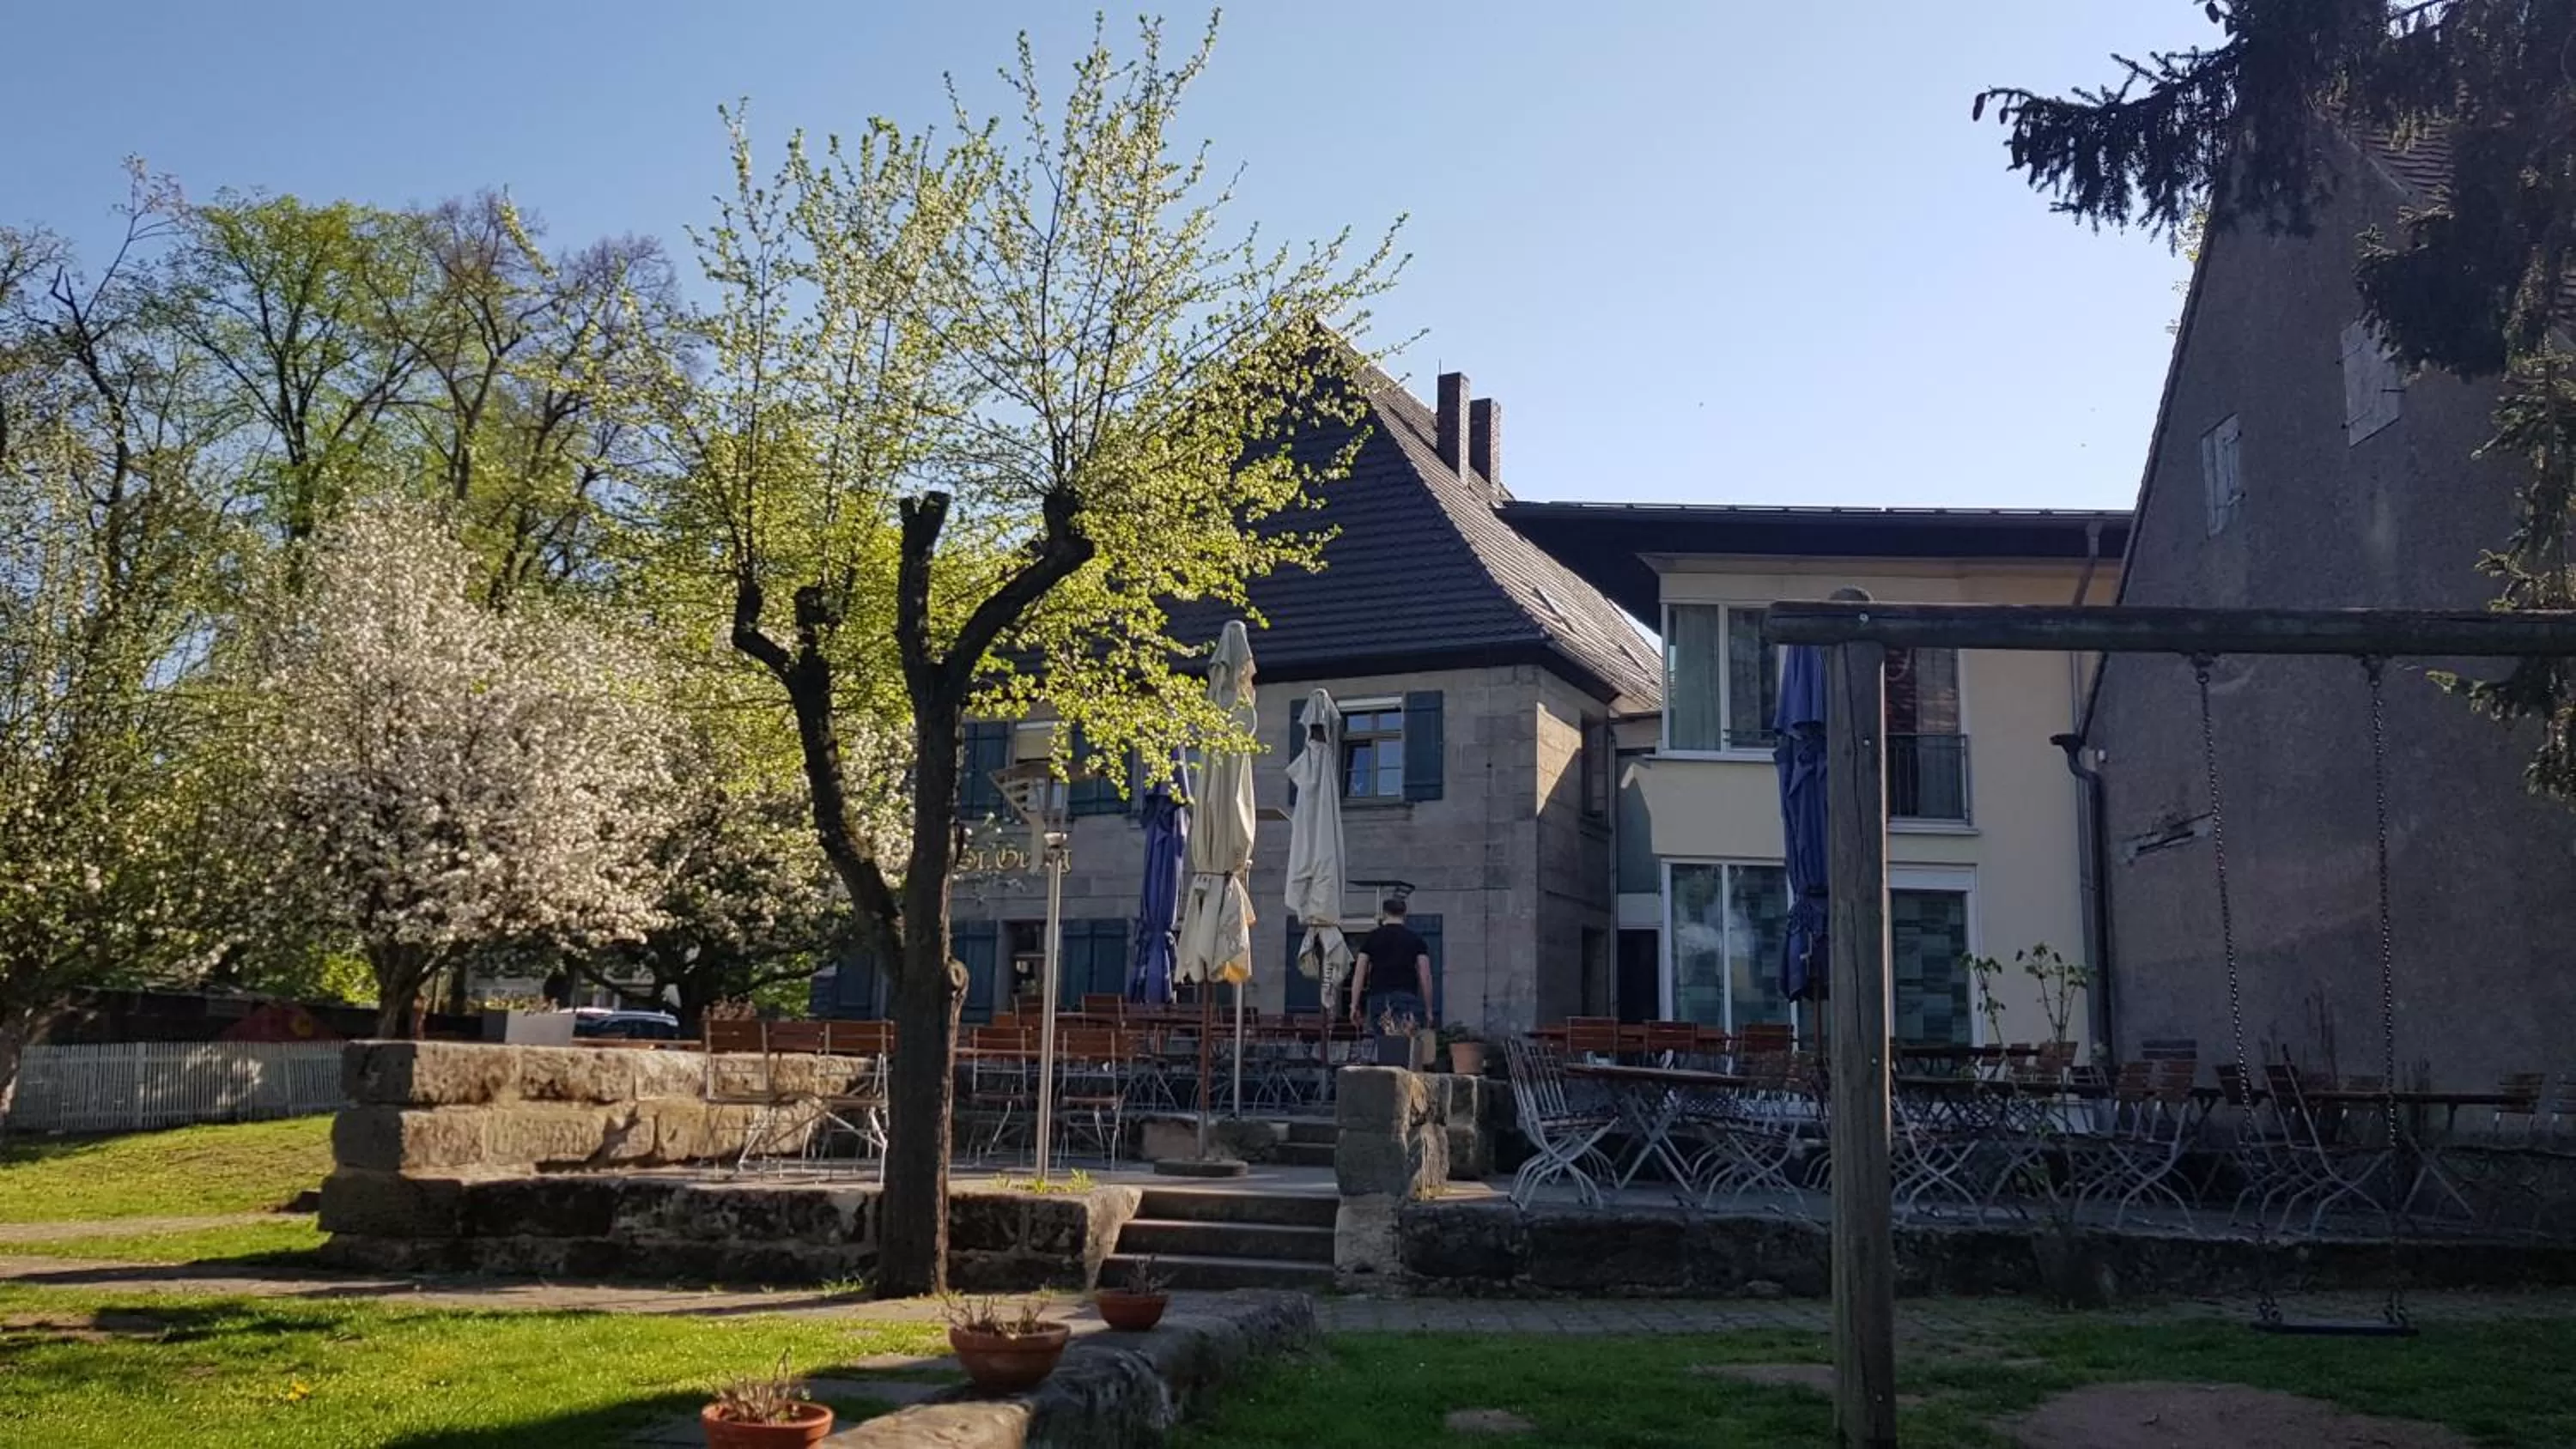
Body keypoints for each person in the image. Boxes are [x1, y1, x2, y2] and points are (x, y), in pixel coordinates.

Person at [1349, 897, 1432, 1036]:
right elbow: (1425, 975)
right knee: (1406, 1044)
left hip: (1379, 996)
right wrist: (1429, 1010)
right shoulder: (1416, 939)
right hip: (1407, 995)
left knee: (1383, 1045)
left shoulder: (1371, 938)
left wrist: (1354, 1005)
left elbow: (1359, 973)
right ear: (1404, 913)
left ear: (1384, 914)